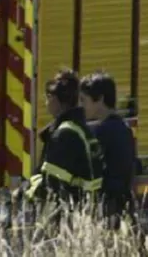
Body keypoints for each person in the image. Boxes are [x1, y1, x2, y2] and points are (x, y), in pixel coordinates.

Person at [27, 69, 103, 217]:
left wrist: (23, 195)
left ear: (56, 99)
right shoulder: (79, 128)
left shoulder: (65, 135)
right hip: (83, 213)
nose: (46, 102)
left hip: (67, 216)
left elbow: (52, 185)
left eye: (48, 97)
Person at [79, 71, 137, 228]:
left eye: (84, 101)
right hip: (124, 203)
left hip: (108, 205)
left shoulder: (103, 132)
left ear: (100, 100)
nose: (81, 106)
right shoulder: (123, 127)